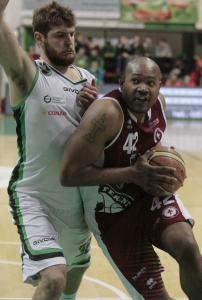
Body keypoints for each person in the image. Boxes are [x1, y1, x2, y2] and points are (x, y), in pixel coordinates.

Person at [60, 57, 202, 300]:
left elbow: (147, 145)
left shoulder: (159, 105)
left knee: (188, 247)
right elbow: (69, 174)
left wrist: (164, 162)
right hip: (110, 211)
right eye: (136, 81)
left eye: (150, 83)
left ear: (159, 86)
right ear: (122, 82)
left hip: (148, 194)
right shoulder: (105, 113)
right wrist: (132, 174)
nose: (143, 88)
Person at [0, 1, 98, 300]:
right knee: (54, 277)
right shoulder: (28, 74)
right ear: (39, 39)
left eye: (71, 33)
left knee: (75, 271)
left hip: (76, 201)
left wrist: (95, 112)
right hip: (35, 197)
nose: (69, 41)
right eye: (59, 35)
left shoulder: (88, 80)